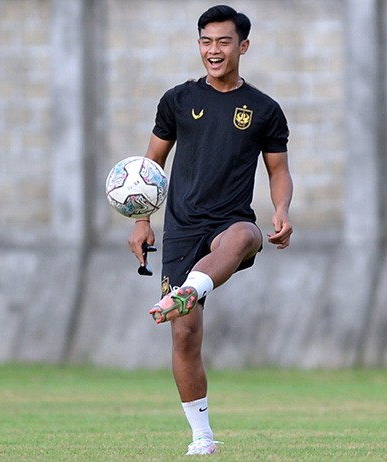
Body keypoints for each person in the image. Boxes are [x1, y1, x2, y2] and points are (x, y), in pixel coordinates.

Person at [127, 4, 293, 456]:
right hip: (181, 228)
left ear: (243, 45)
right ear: (198, 44)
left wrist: (281, 209)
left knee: (245, 237)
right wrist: (141, 222)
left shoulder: (264, 109)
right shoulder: (177, 100)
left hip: (230, 221)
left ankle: (188, 289)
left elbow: (278, 170)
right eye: (206, 41)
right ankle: (202, 437)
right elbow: (149, 167)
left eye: (223, 42)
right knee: (185, 334)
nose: (213, 51)